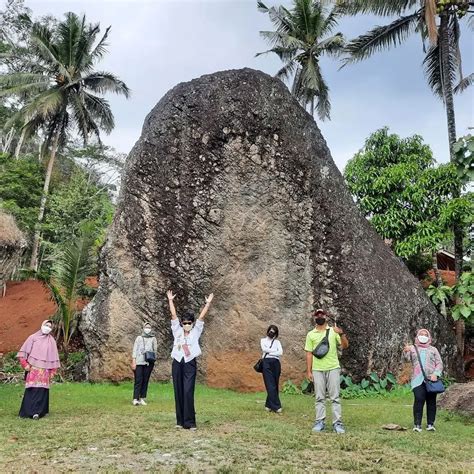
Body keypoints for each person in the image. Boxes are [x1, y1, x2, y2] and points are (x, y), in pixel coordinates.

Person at [167, 289, 214, 430]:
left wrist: (207, 304)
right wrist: (170, 300)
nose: (187, 324)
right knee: (178, 390)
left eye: (189, 322)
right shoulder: (177, 330)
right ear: (181, 323)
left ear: (192, 323)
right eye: (185, 322)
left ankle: (190, 422)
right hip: (177, 361)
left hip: (189, 363)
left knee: (188, 391)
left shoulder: (196, 331)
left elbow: (201, 317)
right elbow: (173, 315)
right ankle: (180, 421)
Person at [304, 309, 349, 434]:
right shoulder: (310, 334)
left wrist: (341, 334)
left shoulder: (333, 331)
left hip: (333, 367)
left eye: (322, 315)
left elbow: (345, 346)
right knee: (319, 397)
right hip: (317, 369)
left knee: (335, 397)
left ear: (326, 317)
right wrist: (309, 371)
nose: (320, 317)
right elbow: (309, 353)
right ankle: (319, 422)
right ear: (314, 318)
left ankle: (337, 423)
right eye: (317, 315)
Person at [17, 320, 60, 419]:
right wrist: (25, 364)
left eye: (50, 326)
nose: (47, 327)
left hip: (45, 372)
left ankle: (39, 412)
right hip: (33, 370)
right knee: (32, 390)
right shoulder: (33, 338)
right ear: (42, 325)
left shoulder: (51, 341)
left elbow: (53, 357)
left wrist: (53, 371)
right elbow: (23, 354)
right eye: (46, 325)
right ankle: (28, 412)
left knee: (42, 391)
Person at [403, 329, 443, 432]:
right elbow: (406, 360)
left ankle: (430, 424)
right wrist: (406, 351)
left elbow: (439, 363)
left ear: (429, 337)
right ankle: (417, 424)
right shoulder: (412, 348)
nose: (423, 336)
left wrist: (436, 374)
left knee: (431, 401)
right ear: (417, 336)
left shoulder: (433, 349)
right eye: (421, 334)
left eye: (426, 335)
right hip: (417, 379)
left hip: (431, 380)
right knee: (419, 399)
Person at [131, 322, 158, 406]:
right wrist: (134, 361)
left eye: (149, 327)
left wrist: (153, 359)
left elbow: (155, 350)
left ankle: (142, 397)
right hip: (139, 361)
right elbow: (135, 349)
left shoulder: (153, 338)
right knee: (138, 380)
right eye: (146, 327)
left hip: (148, 362)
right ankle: (135, 398)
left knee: (145, 380)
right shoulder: (139, 338)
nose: (147, 329)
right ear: (143, 328)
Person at [260, 325, 283, 413]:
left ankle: (268, 405)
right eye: (270, 330)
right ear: (268, 330)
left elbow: (280, 352)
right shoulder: (263, 340)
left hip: (276, 363)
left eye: (273, 331)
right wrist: (275, 352)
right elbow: (264, 349)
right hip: (266, 363)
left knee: (275, 383)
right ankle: (277, 406)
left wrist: (271, 352)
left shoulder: (277, 342)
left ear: (276, 333)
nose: (271, 332)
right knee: (270, 384)